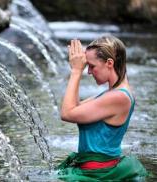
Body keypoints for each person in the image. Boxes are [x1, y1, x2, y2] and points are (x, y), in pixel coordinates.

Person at [57, 36, 148, 181]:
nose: (89, 72)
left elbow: (67, 113)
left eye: (92, 66)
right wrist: (76, 68)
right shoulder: (112, 94)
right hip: (94, 171)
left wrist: (76, 71)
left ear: (109, 63)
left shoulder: (118, 97)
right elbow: (73, 107)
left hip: (99, 175)